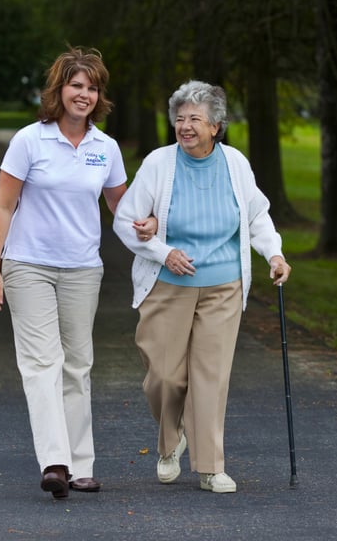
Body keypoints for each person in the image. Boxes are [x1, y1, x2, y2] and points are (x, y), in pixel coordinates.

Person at [113, 80, 291, 494]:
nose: (185, 126)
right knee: (164, 377)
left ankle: (211, 467)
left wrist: (275, 255)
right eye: (180, 119)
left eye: (195, 118)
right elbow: (125, 220)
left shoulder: (235, 164)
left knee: (211, 376)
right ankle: (170, 441)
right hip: (168, 285)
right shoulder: (159, 164)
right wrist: (161, 251)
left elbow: (256, 215)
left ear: (216, 126)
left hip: (223, 285)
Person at [0, 47, 128, 500]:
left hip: (83, 268)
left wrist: (151, 229)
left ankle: (82, 464)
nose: (83, 94)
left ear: (98, 95)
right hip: (27, 265)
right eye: (76, 85)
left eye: (91, 87)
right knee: (43, 363)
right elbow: (3, 205)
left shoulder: (106, 148)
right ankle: (55, 463)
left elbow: (121, 208)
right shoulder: (30, 140)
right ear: (59, 90)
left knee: (78, 365)